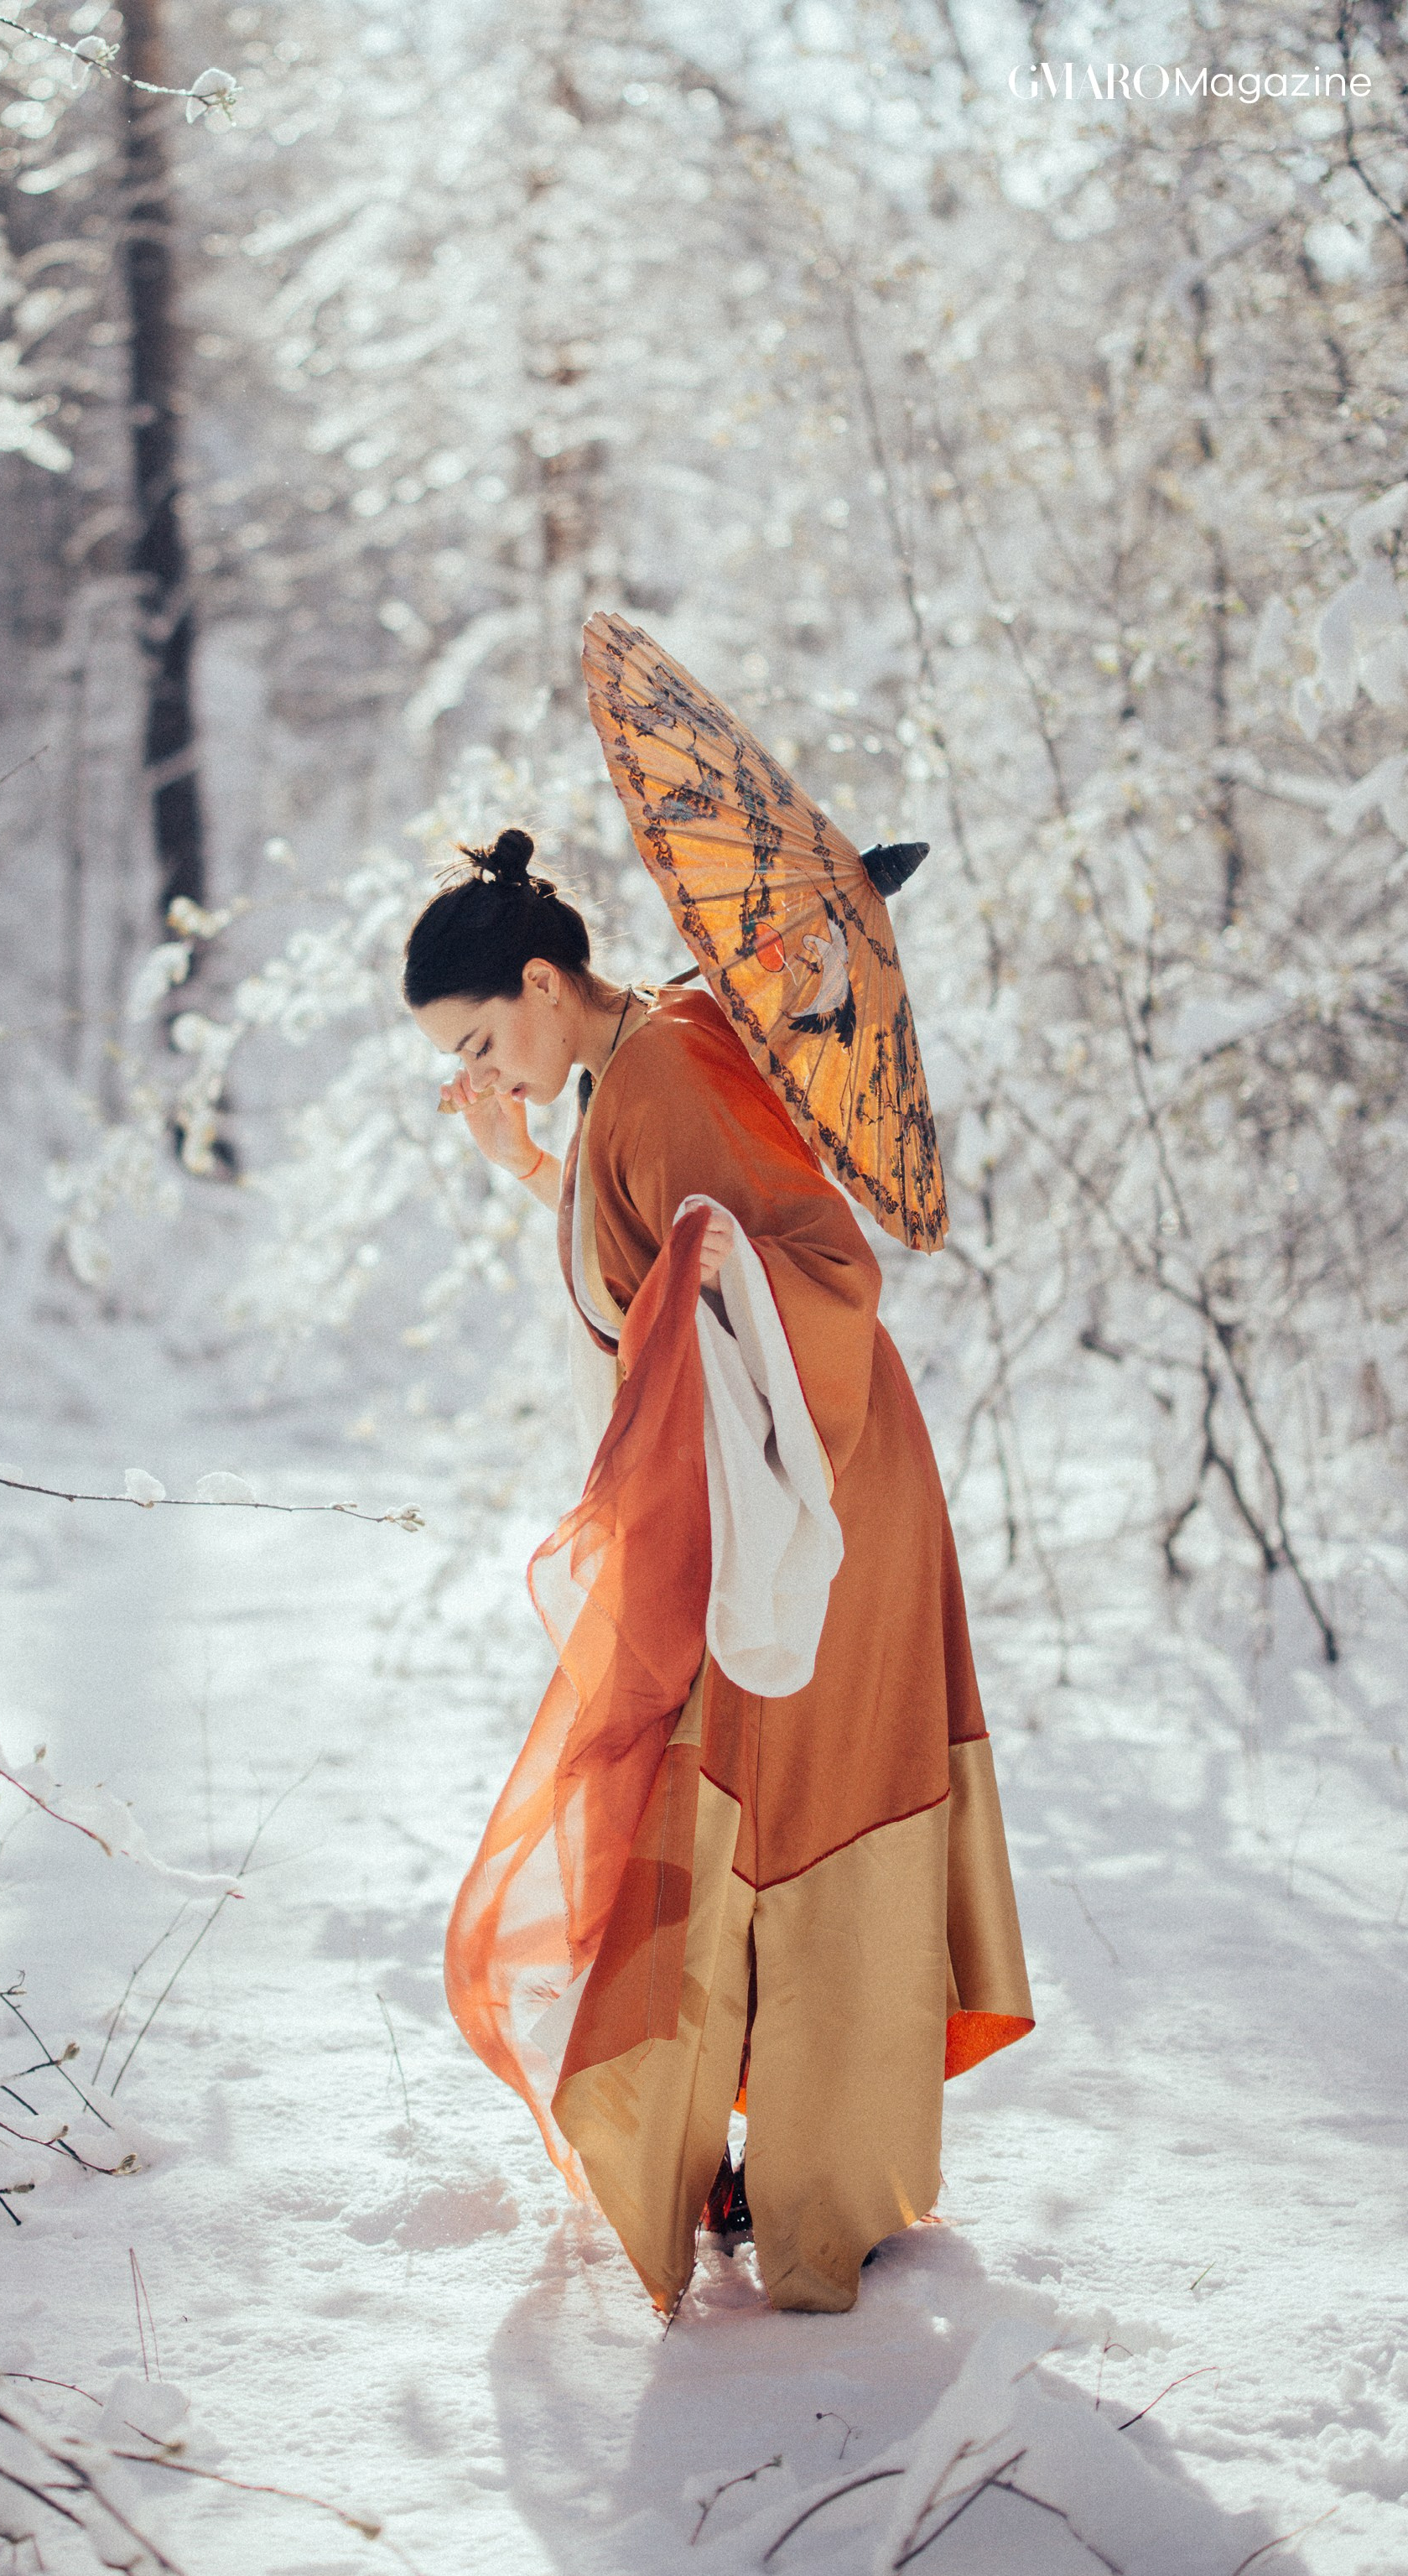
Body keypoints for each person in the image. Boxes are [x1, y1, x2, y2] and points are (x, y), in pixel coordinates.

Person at [408, 826, 1033, 2317]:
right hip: (761, 1488)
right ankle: (755, 2145)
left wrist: (674, 1282)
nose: (483, 1073)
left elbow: (799, 1269)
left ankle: (820, 2179)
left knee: (781, 1798)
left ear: (549, 983)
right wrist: (540, 1164)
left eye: (488, 1040)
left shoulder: (672, 1070)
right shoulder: (638, 1062)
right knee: (731, 1796)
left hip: (816, 1492)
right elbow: (653, 1273)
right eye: (458, 1060)